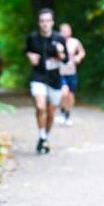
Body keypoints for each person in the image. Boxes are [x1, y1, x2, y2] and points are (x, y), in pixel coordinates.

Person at [25, 8, 69, 154]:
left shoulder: (59, 38)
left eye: (48, 21)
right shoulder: (32, 37)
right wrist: (30, 56)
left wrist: (60, 52)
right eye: (42, 21)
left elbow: (66, 60)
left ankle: (45, 137)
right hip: (38, 77)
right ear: (39, 23)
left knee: (51, 113)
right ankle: (42, 136)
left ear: (52, 22)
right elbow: (26, 50)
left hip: (54, 79)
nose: (45, 24)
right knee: (40, 106)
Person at [56, 23, 86, 126]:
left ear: (70, 31)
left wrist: (78, 57)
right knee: (64, 93)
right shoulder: (57, 42)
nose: (65, 32)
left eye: (67, 30)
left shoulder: (75, 42)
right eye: (63, 31)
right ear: (60, 32)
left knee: (71, 96)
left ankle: (67, 115)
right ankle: (62, 112)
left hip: (72, 72)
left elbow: (82, 52)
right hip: (60, 72)